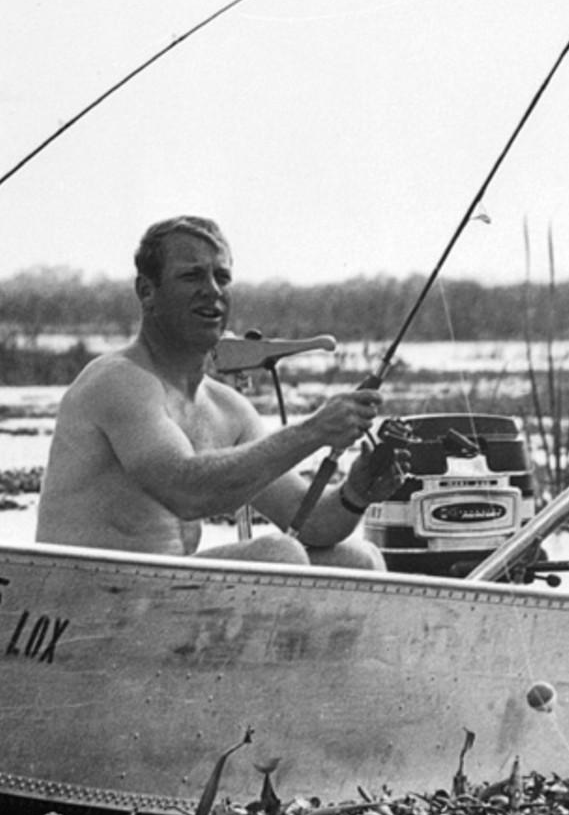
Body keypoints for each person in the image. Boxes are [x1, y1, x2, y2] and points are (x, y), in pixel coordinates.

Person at [35, 215, 405, 567]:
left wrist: (355, 492)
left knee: (360, 559)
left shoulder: (227, 408)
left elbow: (310, 522)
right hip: (82, 596)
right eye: (192, 276)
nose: (211, 290)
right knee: (278, 556)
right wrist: (314, 430)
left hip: (160, 599)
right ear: (147, 292)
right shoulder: (118, 381)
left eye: (222, 277)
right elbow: (187, 491)